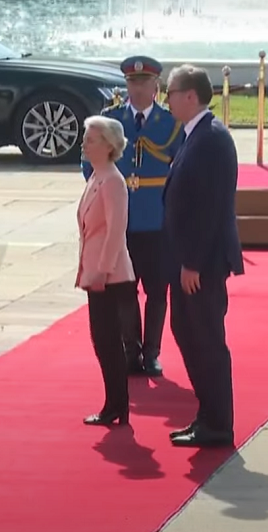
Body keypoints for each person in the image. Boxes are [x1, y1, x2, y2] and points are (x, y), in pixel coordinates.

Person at [82, 56, 184, 377]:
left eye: (144, 83)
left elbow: (182, 170)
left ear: (157, 86)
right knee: (124, 290)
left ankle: (152, 352)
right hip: (120, 220)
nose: (137, 89)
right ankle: (131, 350)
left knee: (157, 290)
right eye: (132, 83)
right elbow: (90, 164)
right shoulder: (110, 121)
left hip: (156, 219)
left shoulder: (171, 124)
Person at [163, 65, 243, 448]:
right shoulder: (196, 135)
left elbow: (209, 209)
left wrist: (192, 262)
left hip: (202, 265)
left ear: (190, 96)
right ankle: (207, 414)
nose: (167, 99)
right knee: (187, 332)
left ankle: (217, 423)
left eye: (171, 92)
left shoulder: (210, 139)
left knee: (205, 339)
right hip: (191, 261)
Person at [75, 115, 134, 426]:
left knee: (109, 342)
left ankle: (116, 406)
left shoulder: (112, 180)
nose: (85, 143)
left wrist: (101, 270)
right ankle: (114, 403)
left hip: (108, 275)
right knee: (103, 341)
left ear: (109, 146)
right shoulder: (96, 177)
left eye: (92, 139)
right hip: (96, 272)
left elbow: (116, 231)